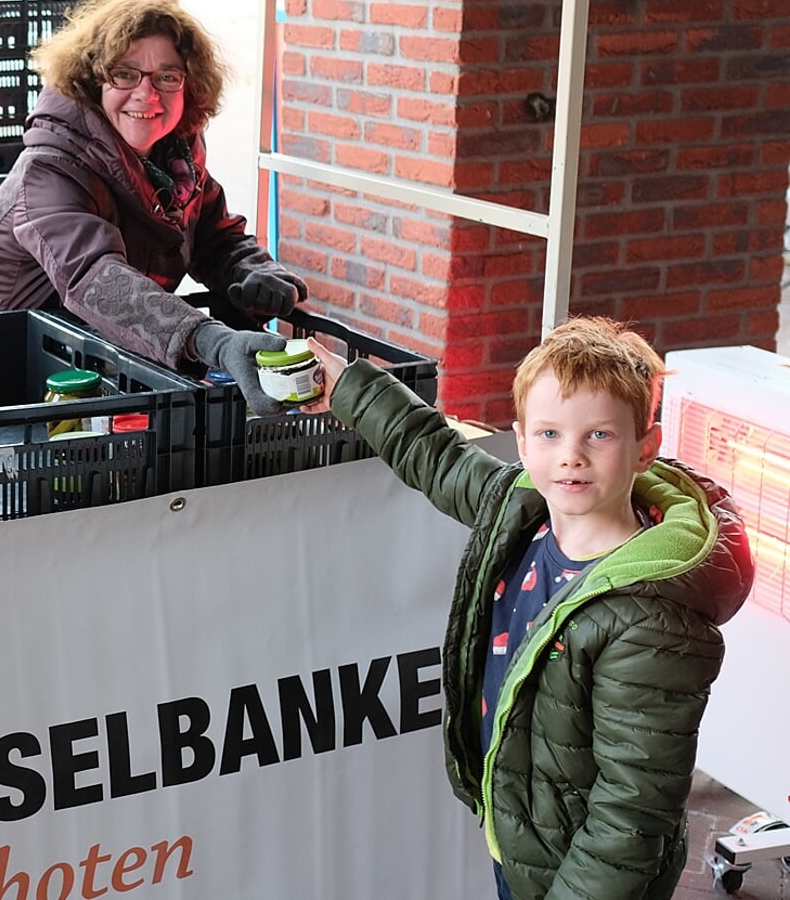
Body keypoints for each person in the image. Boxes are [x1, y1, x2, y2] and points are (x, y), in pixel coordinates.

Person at [307, 317, 753, 900]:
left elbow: (632, 812)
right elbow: (436, 457)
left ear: (646, 448)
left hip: (587, 878)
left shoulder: (650, 620)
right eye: (549, 434)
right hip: (526, 840)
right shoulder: (520, 510)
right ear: (521, 441)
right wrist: (347, 387)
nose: (570, 456)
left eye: (599, 435)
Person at [0, 0, 309, 415]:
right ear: (92, 81)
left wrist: (254, 269)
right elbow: (95, 278)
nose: (148, 94)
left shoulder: (175, 159)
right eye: (125, 74)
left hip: (111, 372)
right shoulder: (49, 168)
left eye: (167, 76)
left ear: (189, 83)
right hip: (7, 389)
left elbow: (215, 238)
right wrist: (211, 340)